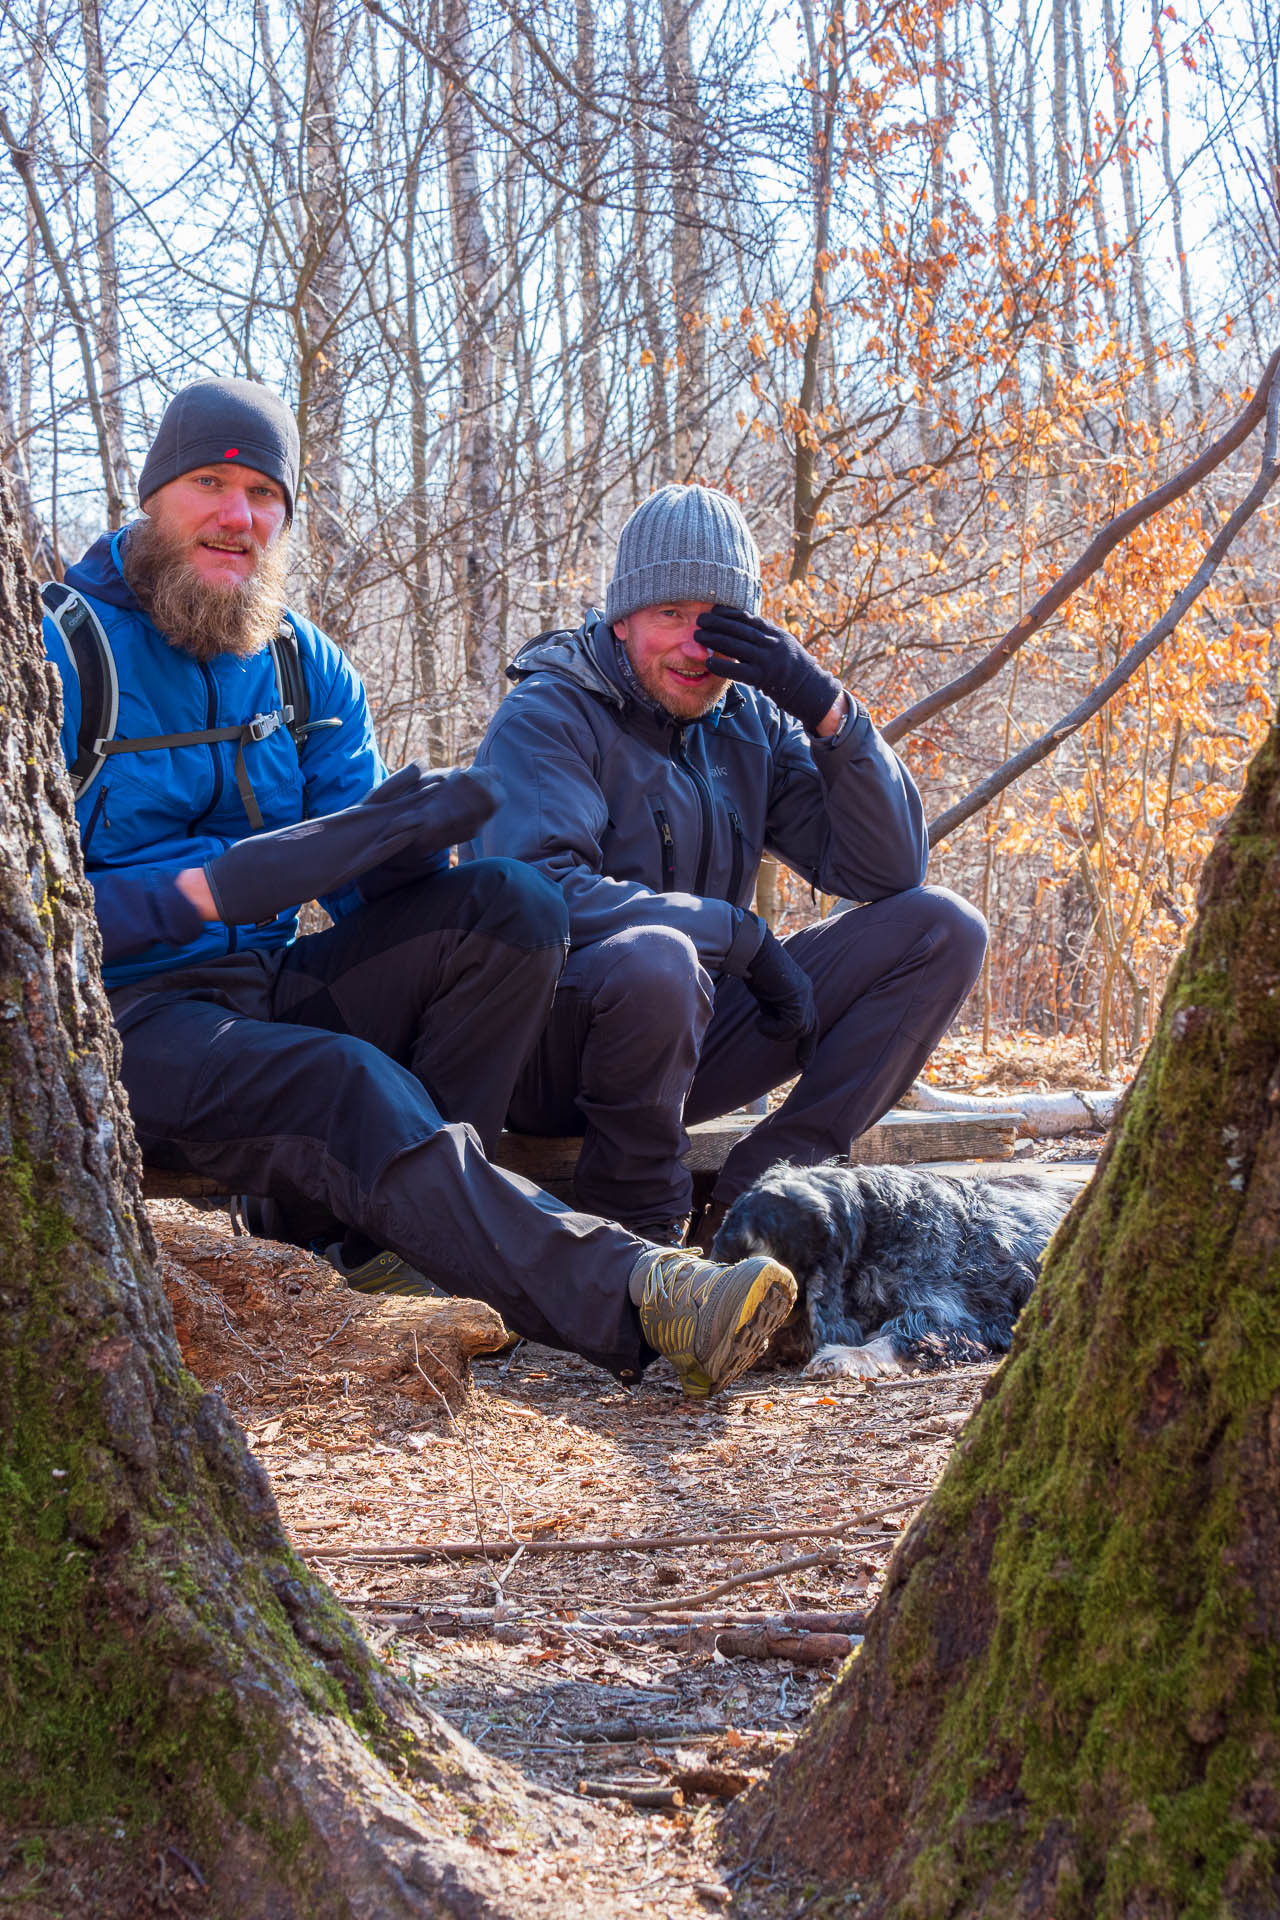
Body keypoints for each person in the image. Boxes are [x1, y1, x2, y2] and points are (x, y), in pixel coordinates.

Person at [40, 381, 797, 1397]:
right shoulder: (59, 650)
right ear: (152, 496)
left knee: (508, 908)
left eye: (264, 494)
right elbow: (28, 921)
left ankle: (387, 1253)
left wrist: (400, 846)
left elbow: (371, 911)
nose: (238, 515)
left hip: (267, 985)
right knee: (339, 1079)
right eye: (208, 484)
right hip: (123, 1021)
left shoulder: (306, 669)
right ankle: (642, 1297)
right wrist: (216, 887)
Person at [472, 484, 988, 1246]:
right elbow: (540, 893)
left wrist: (827, 710)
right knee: (660, 959)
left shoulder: (750, 721)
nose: (692, 645)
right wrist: (734, 934)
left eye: (715, 622)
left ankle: (763, 1191)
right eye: (669, 615)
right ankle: (633, 1237)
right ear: (623, 618)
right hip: (549, 1053)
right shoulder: (549, 714)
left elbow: (889, 872)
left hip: (691, 1035)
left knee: (943, 927)